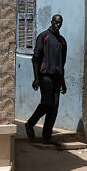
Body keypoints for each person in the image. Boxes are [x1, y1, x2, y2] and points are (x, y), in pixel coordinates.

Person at [25, 14, 67, 145]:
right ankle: (30, 124)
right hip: (45, 76)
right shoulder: (43, 36)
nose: (58, 24)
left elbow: (62, 64)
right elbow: (36, 59)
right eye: (56, 22)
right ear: (51, 21)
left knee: (54, 108)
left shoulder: (62, 41)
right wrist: (36, 78)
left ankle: (47, 137)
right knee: (46, 103)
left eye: (60, 22)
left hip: (57, 79)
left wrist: (63, 83)